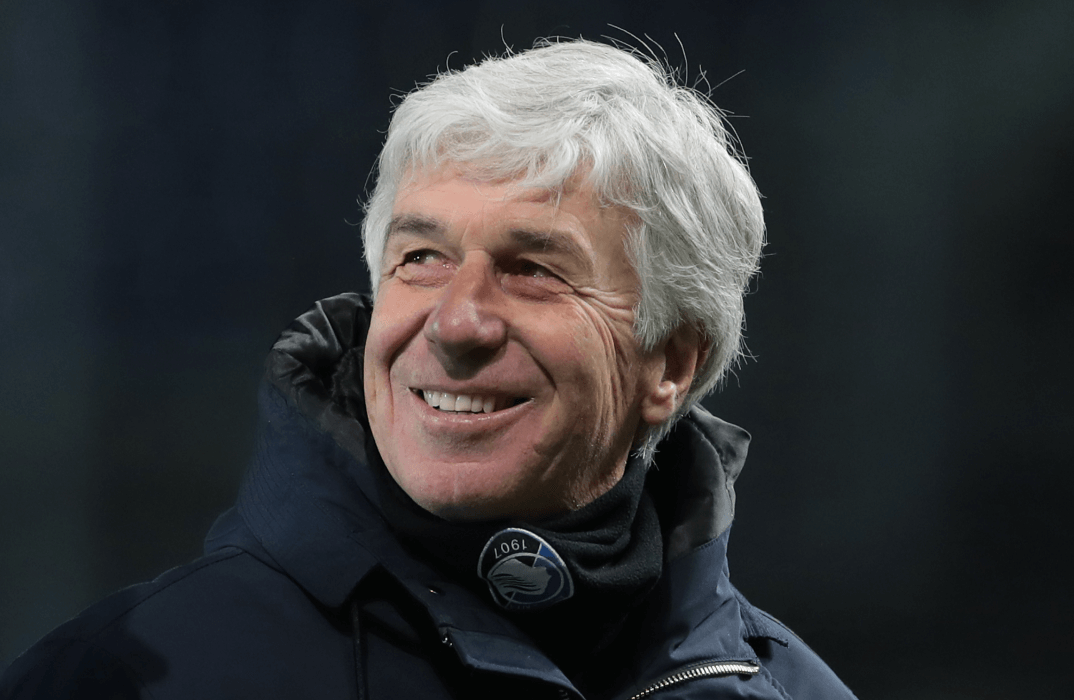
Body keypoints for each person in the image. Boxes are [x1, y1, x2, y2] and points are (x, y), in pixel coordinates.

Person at [0, 39, 856, 699]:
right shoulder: (117, 677)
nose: (455, 323)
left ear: (669, 362)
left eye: (533, 269)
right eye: (421, 258)